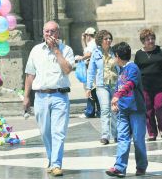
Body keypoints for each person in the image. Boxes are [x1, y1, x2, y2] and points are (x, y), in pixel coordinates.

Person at [23, 21, 75, 177]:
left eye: (53, 31)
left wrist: (56, 51)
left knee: (58, 131)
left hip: (60, 95)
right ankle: (52, 160)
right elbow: (30, 74)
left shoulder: (66, 50)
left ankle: (56, 164)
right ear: (43, 32)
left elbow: (67, 70)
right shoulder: (36, 50)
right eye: (47, 31)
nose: (50, 34)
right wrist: (26, 97)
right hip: (40, 96)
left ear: (58, 33)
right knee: (45, 131)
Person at [106, 42, 148, 177]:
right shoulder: (120, 69)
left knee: (138, 139)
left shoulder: (133, 68)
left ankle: (141, 166)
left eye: (114, 56)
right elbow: (119, 87)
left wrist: (117, 95)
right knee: (123, 138)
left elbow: (130, 84)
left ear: (117, 56)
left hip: (136, 109)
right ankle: (119, 167)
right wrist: (115, 101)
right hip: (123, 109)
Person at [134, 29, 162, 141]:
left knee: (159, 107)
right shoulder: (139, 54)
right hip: (145, 87)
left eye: (152, 38)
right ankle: (152, 133)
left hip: (161, 86)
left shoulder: (161, 50)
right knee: (148, 110)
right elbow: (135, 70)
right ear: (143, 41)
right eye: (148, 39)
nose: (151, 41)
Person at [86, 30, 118, 145]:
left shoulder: (115, 52)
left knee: (115, 110)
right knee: (105, 110)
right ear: (100, 41)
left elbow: (121, 67)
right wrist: (88, 87)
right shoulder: (95, 53)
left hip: (115, 84)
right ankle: (105, 135)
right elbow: (91, 71)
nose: (108, 40)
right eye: (106, 39)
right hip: (101, 86)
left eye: (110, 38)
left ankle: (116, 134)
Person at [76, 27, 100, 118]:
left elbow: (88, 54)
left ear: (88, 35)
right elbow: (86, 50)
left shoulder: (92, 43)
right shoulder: (93, 43)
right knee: (93, 90)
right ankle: (96, 111)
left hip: (91, 70)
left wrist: (80, 58)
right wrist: (83, 40)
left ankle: (90, 111)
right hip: (93, 70)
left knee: (90, 90)